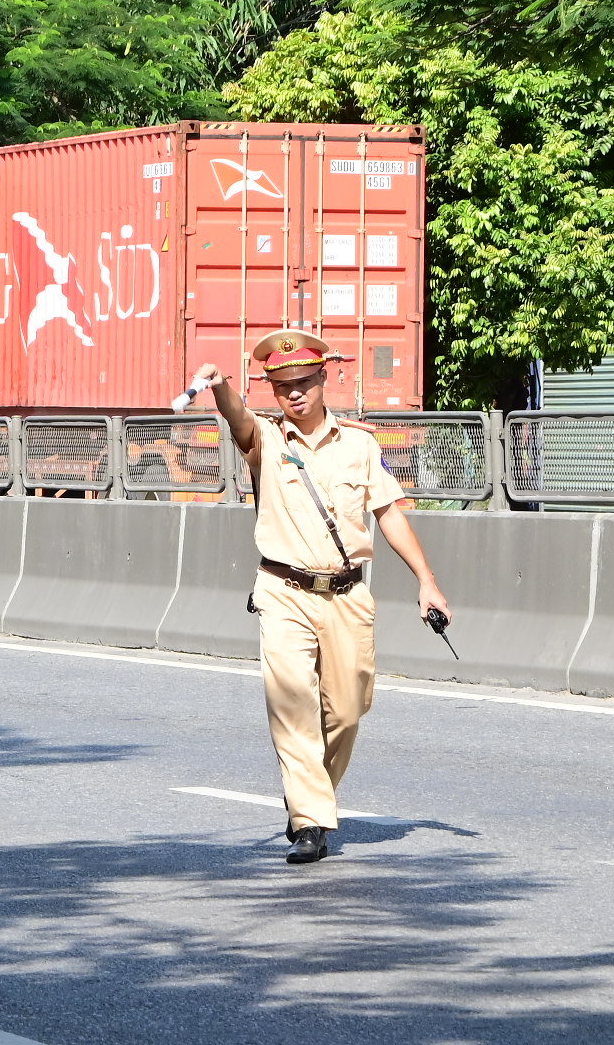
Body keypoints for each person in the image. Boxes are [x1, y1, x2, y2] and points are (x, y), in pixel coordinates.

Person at [198, 329, 450, 865]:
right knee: (292, 701)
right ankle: (311, 819)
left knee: (349, 708)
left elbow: (388, 515)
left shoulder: (359, 444)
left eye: (303, 382)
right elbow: (237, 420)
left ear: (323, 379)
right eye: (282, 385)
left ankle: (311, 798)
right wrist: (220, 388)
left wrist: (426, 580)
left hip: (348, 594)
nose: (294, 393)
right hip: (284, 591)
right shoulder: (266, 439)